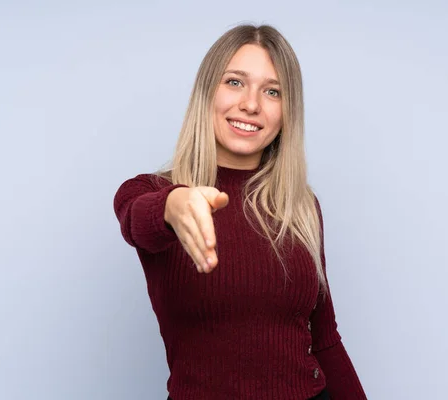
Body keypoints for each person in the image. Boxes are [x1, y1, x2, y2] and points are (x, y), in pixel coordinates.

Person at [113, 24, 367, 400]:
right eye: (234, 82)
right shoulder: (151, 192)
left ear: (286, 113)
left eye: (272, 91)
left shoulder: (300, 206)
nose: (251, 104)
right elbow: (136, 220)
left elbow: (326, 340)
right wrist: (174, 204)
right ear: (206, 92)